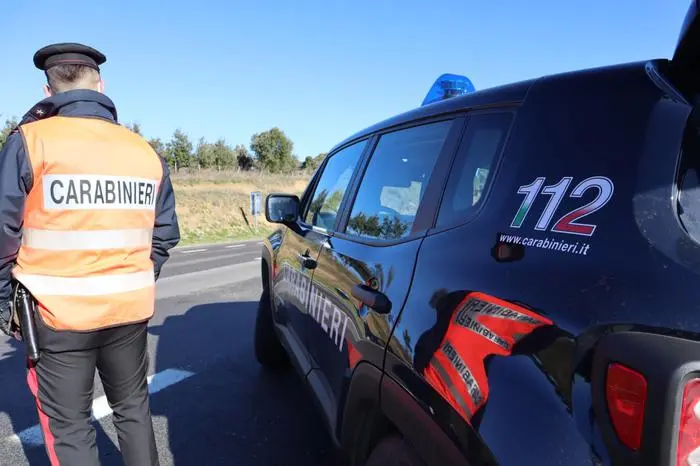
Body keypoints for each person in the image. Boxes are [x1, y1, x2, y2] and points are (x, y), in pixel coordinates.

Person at [0, 42, 180, 466]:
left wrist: (6, 304)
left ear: (48, 91)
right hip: (129, 311)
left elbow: (3, 233)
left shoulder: (31, 141)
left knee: (70, 426)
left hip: (56, 316)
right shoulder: (143, 150)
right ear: (101, 85)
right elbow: (165, 233)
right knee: (134, 412)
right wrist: (133, 275)